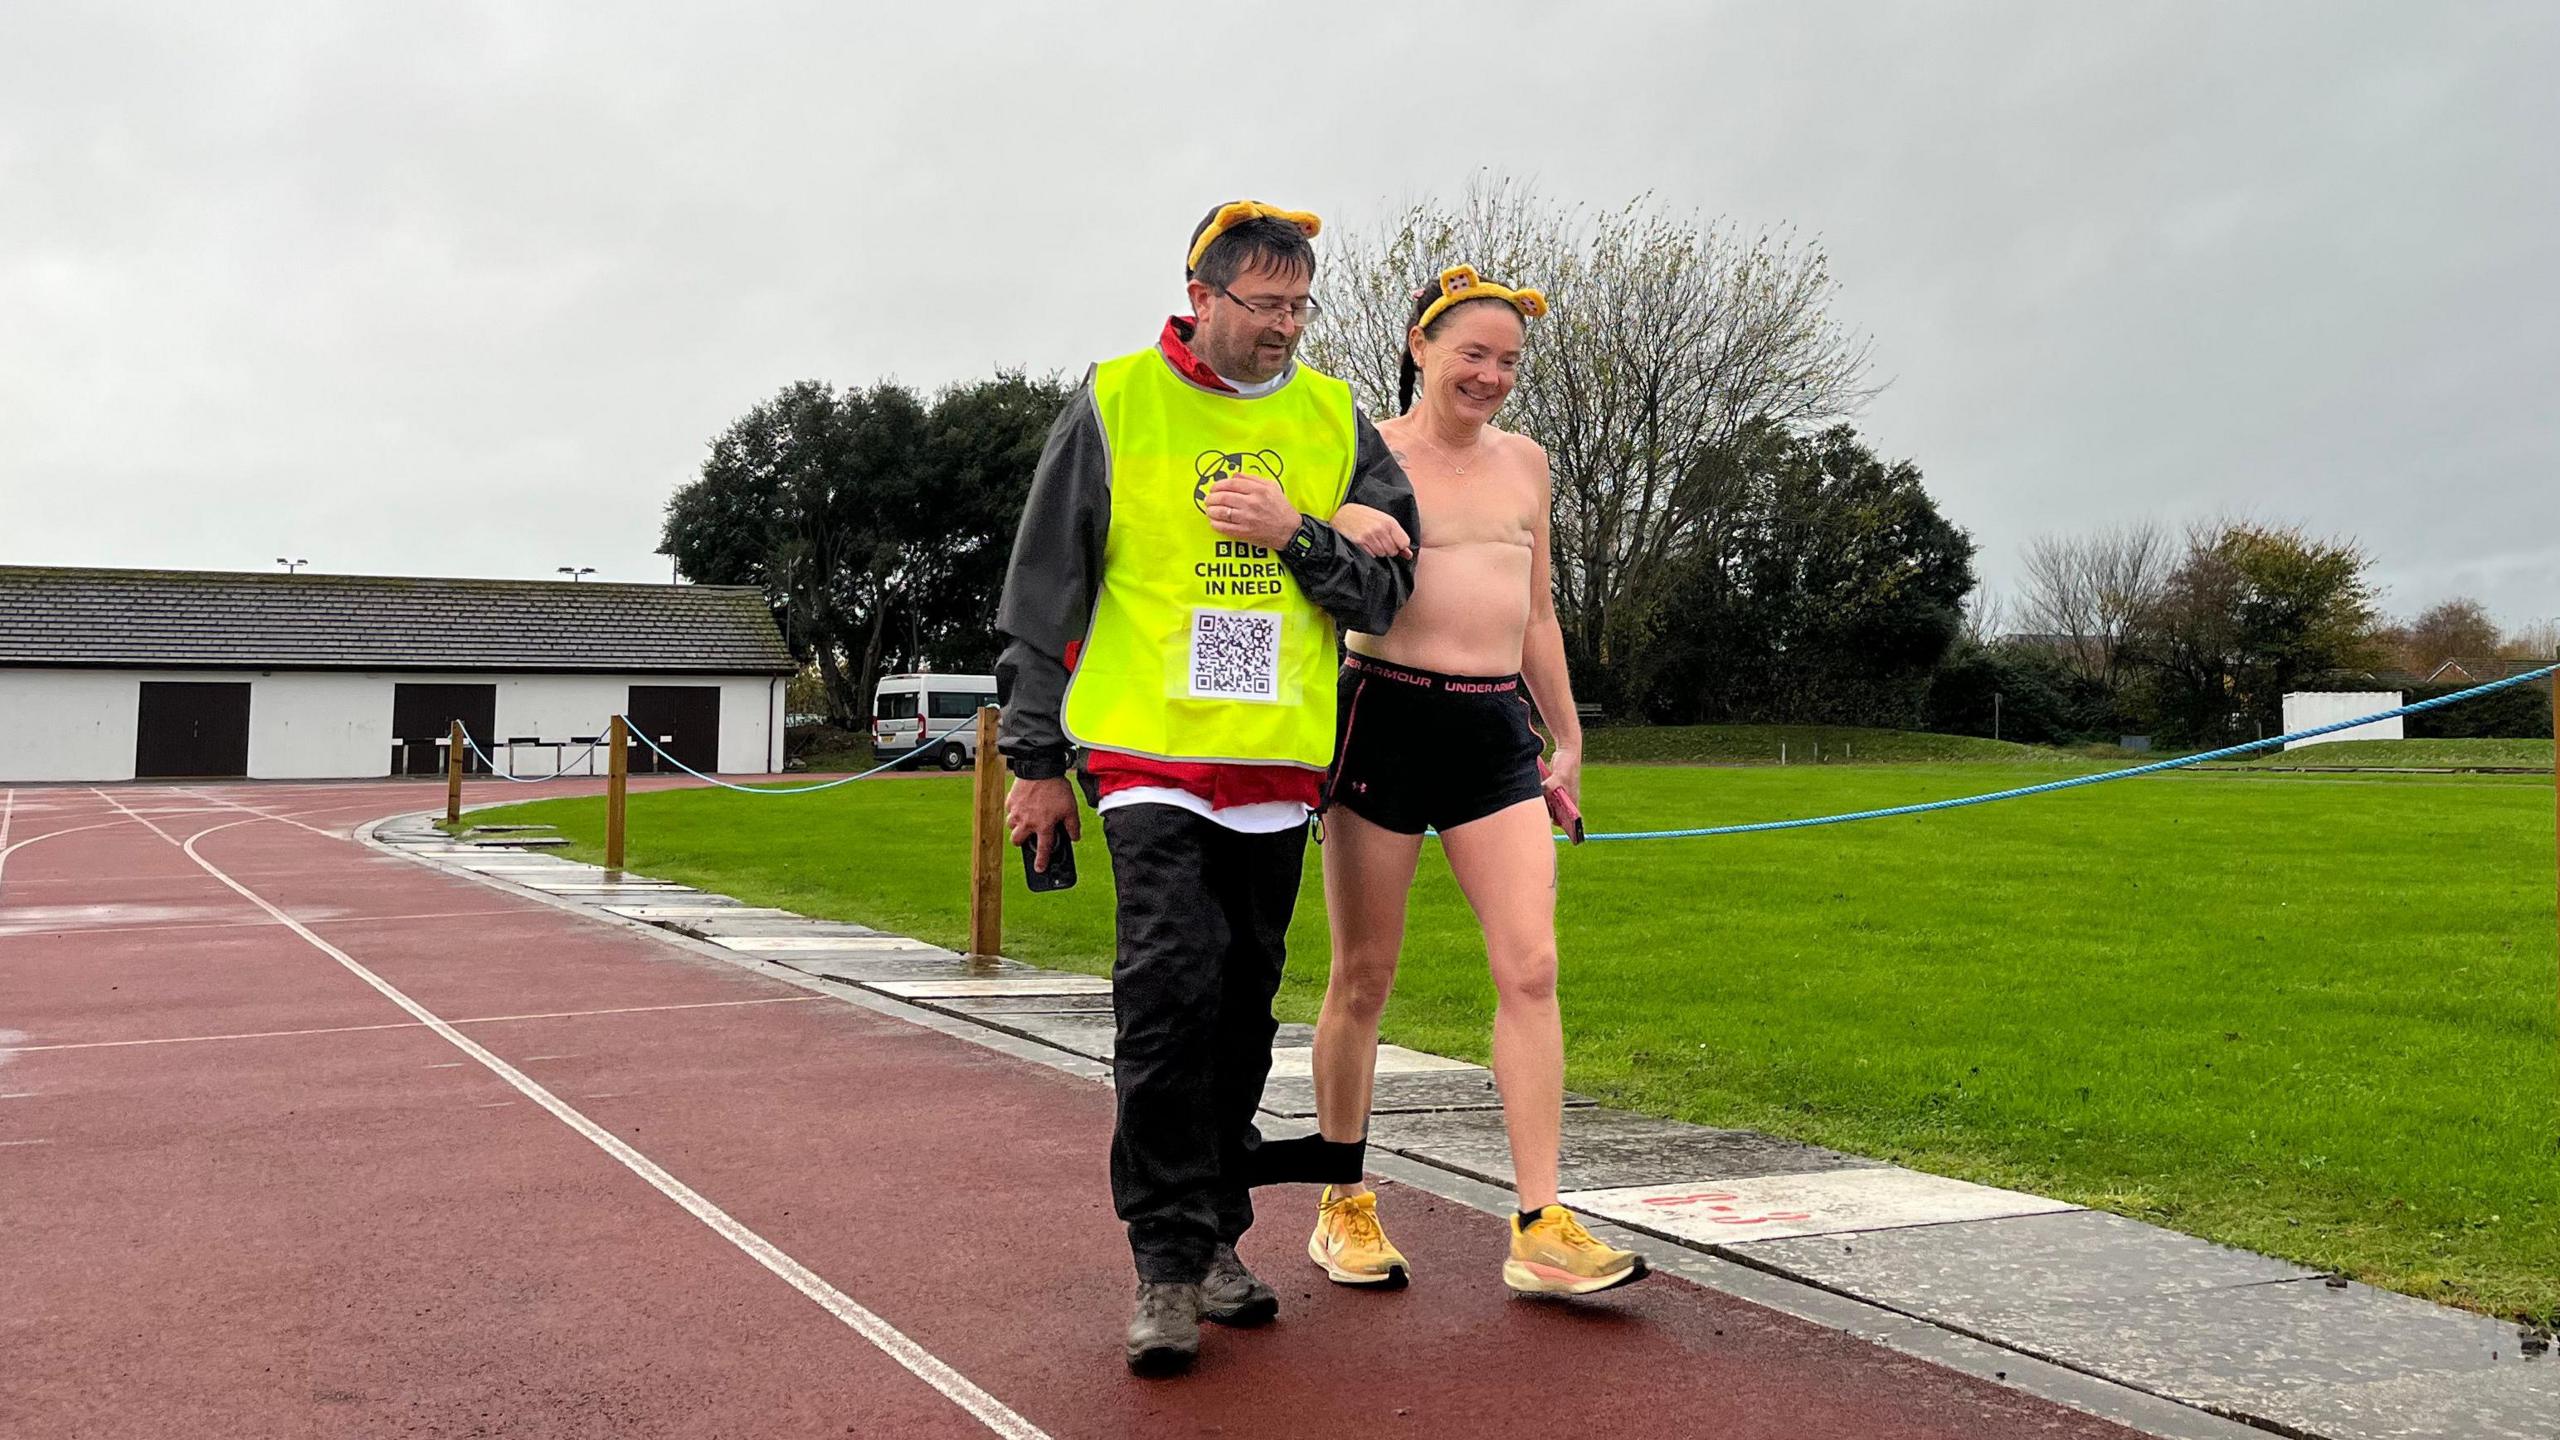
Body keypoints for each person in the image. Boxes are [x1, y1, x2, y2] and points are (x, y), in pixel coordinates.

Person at [994, 200, 1422, 1375]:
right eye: (1264, 304)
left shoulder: (1337, 421)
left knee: (1243, 1006)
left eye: (1300, 305)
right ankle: (1165, 1264)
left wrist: (1300, 534)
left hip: (1276, 773)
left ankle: (1220, 1234)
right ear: (1202, 296)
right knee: (1170, 988)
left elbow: (1386, 594)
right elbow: (1044, 594)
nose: (1285, 326)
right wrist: (1035, 762)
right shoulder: (1116, 400)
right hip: (1146, 760)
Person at [1303, 265, 1649, 1297]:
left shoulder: (1528, 466)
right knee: (1364, 976)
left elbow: (1535, 611)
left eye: (1507, 361)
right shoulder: (1359, 454)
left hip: (1495, 730)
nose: (1491, 376)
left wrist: (1566, 736)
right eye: (1473, 354)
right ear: (1420, 346)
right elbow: (1313, 583)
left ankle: (1541, 1224)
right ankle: (1342, 1201)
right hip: (1383, 714)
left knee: (1531, 966)